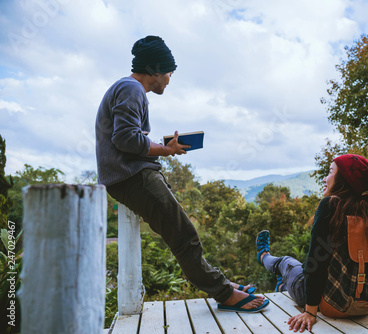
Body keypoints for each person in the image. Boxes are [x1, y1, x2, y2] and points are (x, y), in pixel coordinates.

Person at [95, 35, 268, 312]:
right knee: (184, 237)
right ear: (155, 70)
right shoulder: (132, 89)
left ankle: (223, 285)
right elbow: (125, 139)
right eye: (168, 72)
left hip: (134, 176)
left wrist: (165, 147)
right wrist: (165, 151)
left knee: (184, 234)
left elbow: (128, 140)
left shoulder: (128, 89)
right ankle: (225, 294)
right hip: (133, 178)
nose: (169, 79)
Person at [256, 154, 368, 332]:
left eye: (330, 172)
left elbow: (315, 265)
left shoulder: (331, 206)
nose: (325, 178)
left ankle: (263, 255)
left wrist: (310, 312)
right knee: (293, 272)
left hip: (332, 304)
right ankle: (283, 284)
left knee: (286, 263)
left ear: (344, 180)